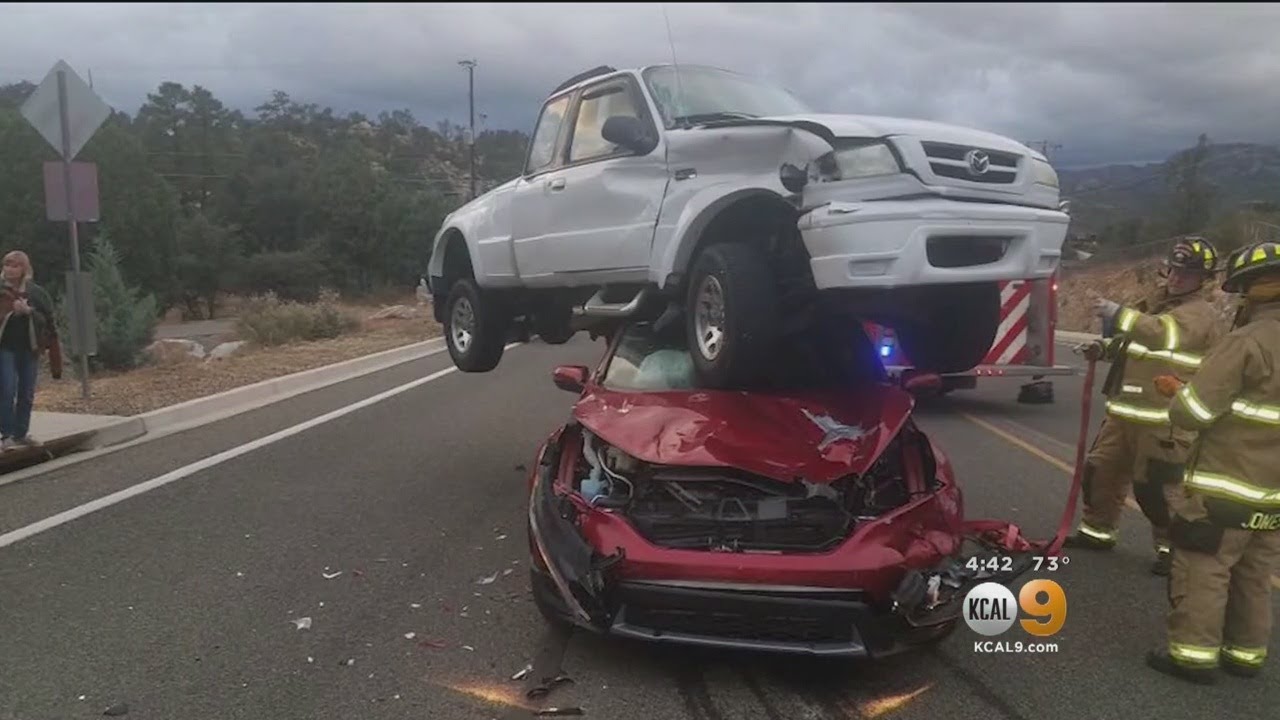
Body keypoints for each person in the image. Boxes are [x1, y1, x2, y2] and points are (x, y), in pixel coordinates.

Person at [1144, 240, 1280, 684]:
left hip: (1225, 484)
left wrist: (1177, 393)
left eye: (1240, 292)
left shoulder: (1246, 341)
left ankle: (1193, 657)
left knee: (1205, 567)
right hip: (1272, 494)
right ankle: (1245, 655)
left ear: (1255, 291)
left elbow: (1195, 412)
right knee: (1254, 573)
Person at [1065, 237, 1225, 576]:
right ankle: (1098, 532)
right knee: (1100, 472)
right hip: (1123, 413)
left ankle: (1172, 552)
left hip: (1163, 422)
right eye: (1176, 270)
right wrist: (1104, 349)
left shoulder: (1198, 314)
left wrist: (1117, 313)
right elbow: (1136, 342)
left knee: (1158, 489)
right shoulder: (1158, 305)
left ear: (1204, 279)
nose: (1179, 278)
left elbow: (1159, 335)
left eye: (1189, 273)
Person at [0, 250, 62, 451]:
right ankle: (7, 434)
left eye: (15, 265)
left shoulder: (36, 293)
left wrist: (29, 313)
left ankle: (21, 433)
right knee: (7, 391)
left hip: (30, 348)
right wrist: (9, 311)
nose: (10, 269)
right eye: (7, 264)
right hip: (5, 348)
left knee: (26, 392)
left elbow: (48, 321)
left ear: (24, 269)